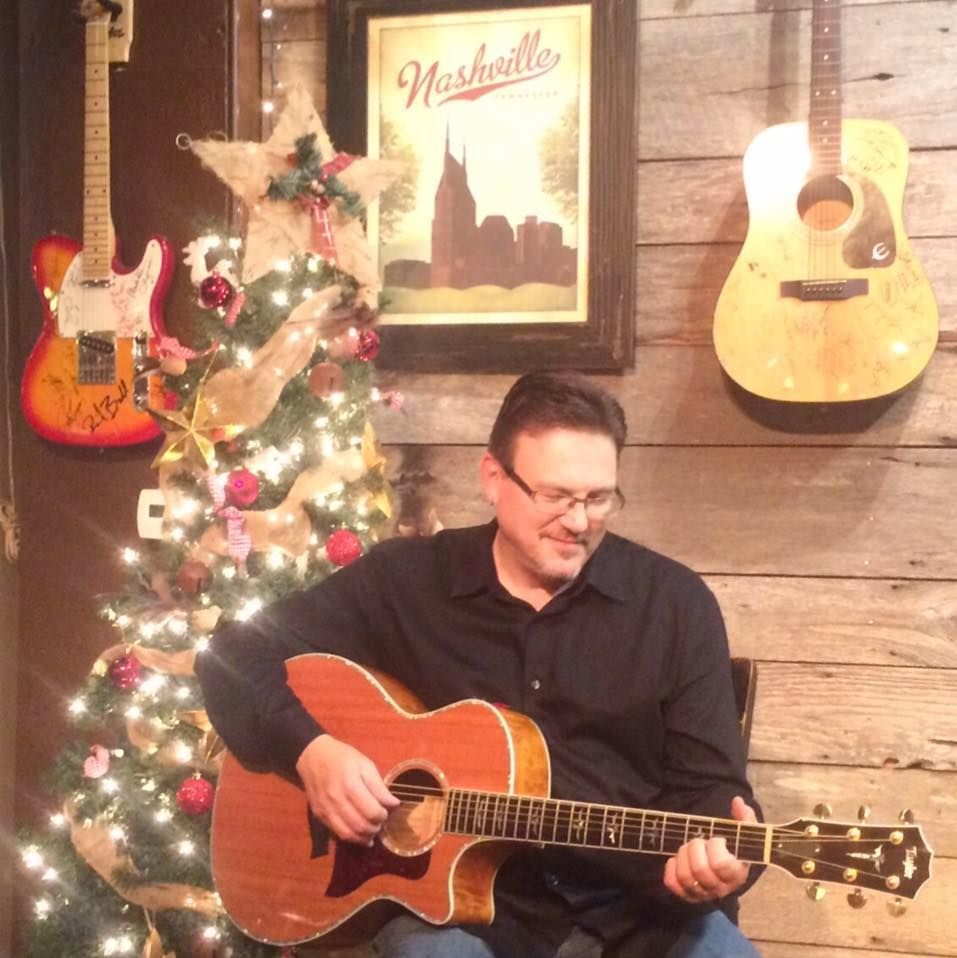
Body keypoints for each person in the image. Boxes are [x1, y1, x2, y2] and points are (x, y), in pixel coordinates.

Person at [196, 371, 764, 958]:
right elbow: (231, 656)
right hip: (456, 911)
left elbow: (713, 790)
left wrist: (724, 861)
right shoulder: (407, 580)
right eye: (555, 496)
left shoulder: (675, 605)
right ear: (493, 477)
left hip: (638, 911)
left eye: (598, 499)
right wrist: (312, 753)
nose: (578, 522)